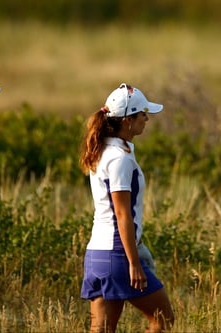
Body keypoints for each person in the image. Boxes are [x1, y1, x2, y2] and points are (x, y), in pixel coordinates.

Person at [78, 83, 175, 332]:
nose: (147, 119)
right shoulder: (119, 159)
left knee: (101, 330)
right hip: (117, 255)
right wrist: (133, 262)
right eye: (143, 114)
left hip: (96, 255)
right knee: (163, 319)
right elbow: (122, 214)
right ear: (128, 120)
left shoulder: (104, 151)